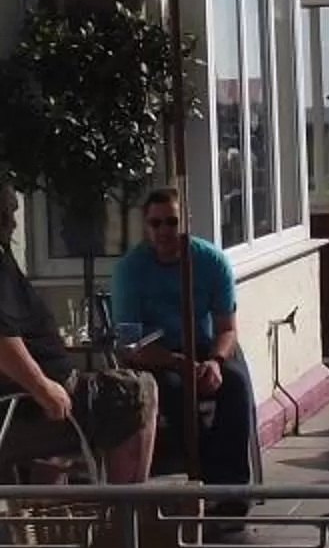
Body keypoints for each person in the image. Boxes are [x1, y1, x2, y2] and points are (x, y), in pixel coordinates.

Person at [0, 188, 156, 481]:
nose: (12, 223)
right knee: (136, 391)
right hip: (27, 406)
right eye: (6, 214)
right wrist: (42, 388)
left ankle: (107, 510)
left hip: (27, 400)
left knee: (125, 391)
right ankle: (126, 513)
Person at [109, 187, 256, 490]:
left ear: (186, 222)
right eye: (156, 223)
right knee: (175, 392)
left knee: (236, 384)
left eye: (172, 222)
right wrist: (177, 363)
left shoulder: (211, 261)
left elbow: (227, 328)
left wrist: (214, 362)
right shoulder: (129, 270)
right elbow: (129, 343)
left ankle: (234, 487)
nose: (164, 231)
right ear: (145, 226)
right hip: (155, 354)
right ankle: (204, 477)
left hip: (204, 346)